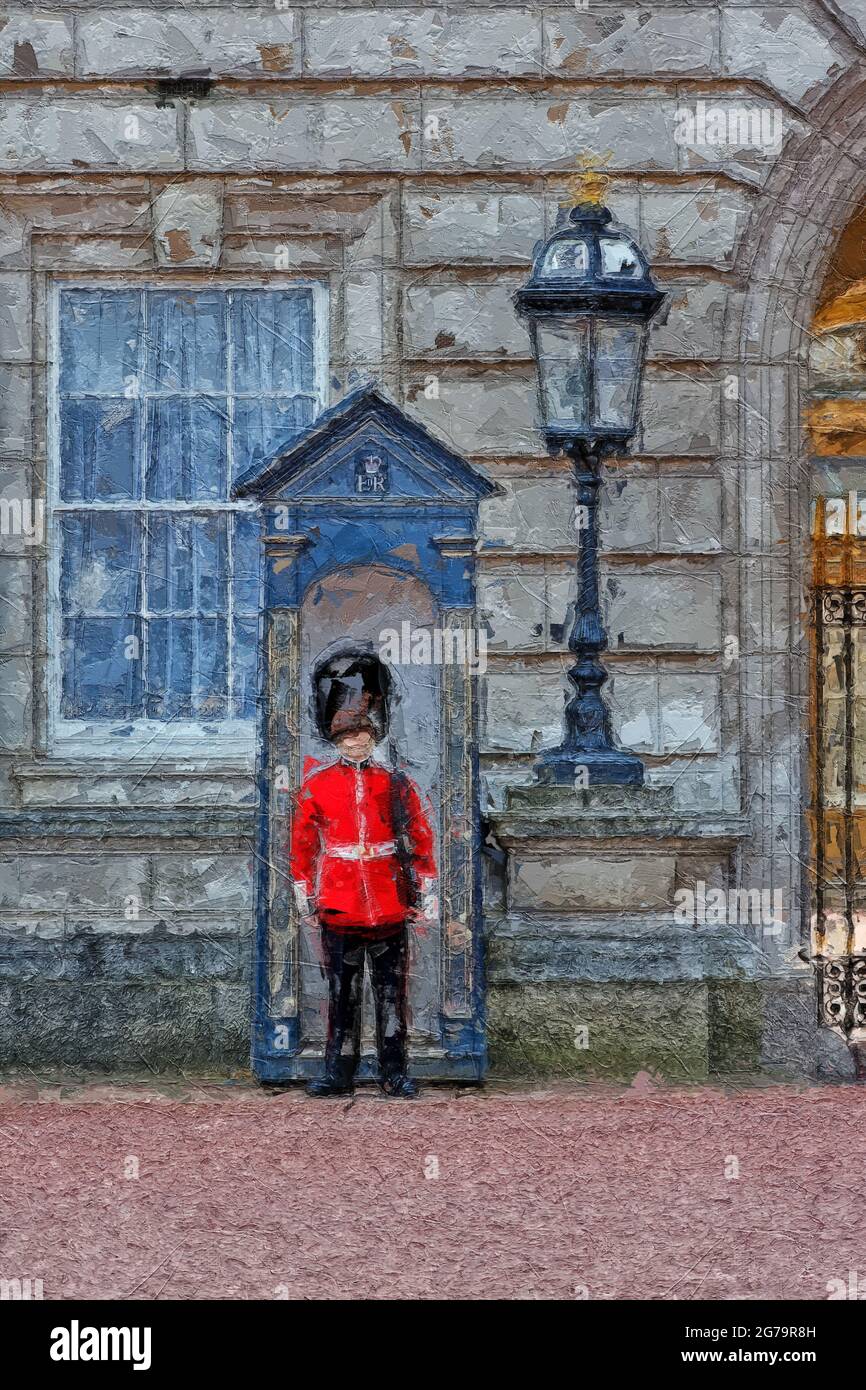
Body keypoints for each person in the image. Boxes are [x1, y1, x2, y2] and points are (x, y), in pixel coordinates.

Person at [290, 653, 437, 1098]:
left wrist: (426, 886)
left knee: (391, 995)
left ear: (375, 734)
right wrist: (303, 887)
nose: (357, 742)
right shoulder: (317, 785)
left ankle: (394, 1072)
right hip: (339, 901)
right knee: (343, 995)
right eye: (349, 734)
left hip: (389, 901)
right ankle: (340, 1072)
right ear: (337, 737)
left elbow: (419, 834)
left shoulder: (395, 783)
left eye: (364, 733)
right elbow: (303, 843)